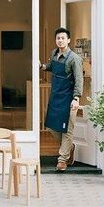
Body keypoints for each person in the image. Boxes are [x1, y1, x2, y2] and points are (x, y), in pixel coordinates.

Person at [40, 27, 83, 171]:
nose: (60, 40)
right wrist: (42, 66)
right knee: (52, 126)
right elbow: (52, 67)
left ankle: (62, 159)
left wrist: (76, 98)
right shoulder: (54, 53)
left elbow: (79, 80)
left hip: (69, 99)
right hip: (55, 96)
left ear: (68, 40)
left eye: (63, 38)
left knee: (68, 130)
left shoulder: (74, 58)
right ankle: (69, 147)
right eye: (58, 38)